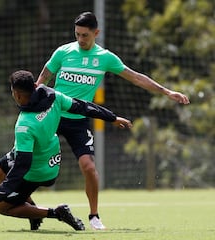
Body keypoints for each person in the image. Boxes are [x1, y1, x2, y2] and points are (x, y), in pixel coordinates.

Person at [35, 11, 190, 230]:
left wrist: (167, 92)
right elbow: (44, 76)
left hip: (79, 120)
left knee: (88, 167)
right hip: (53, 115)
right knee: (30, 158)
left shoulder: (105, 58)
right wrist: (35, 96)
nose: (80, 39)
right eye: (77, 34)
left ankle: (94, 216)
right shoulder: (63, 52)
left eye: (85, 35)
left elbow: (136, 77)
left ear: (96, 33)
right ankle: (23, 205)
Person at [0, 70, 132, 231]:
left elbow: (22, 165)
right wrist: (113, 118)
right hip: (50, 153)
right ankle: (32, 214)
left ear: (17, 95)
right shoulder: (54, 96)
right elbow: (83, 107)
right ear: (35, 86)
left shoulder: (24, 125)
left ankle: (56, 213)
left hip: (38, 168)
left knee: (2, 208)